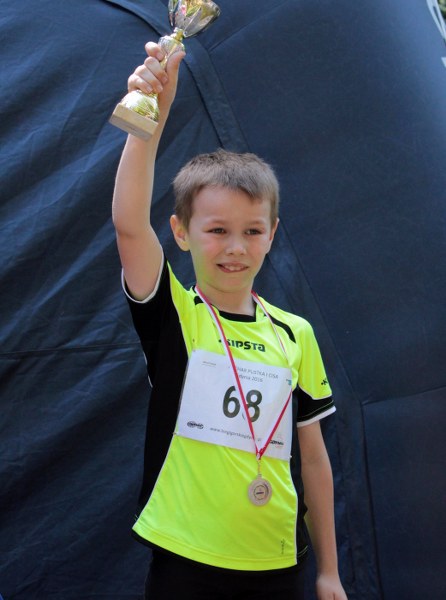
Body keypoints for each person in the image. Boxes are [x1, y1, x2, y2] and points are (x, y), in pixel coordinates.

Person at [112, 40, 348, 600]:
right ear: (181, 232)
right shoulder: (177, 315)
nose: (235, 247)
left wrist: (330, 573)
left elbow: (314, 458)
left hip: (277, 561)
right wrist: (151, 114)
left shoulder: (295, 334)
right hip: (185, 558)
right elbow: (129, 224)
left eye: (251, 231)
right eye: (217, 230)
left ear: (271, 234)